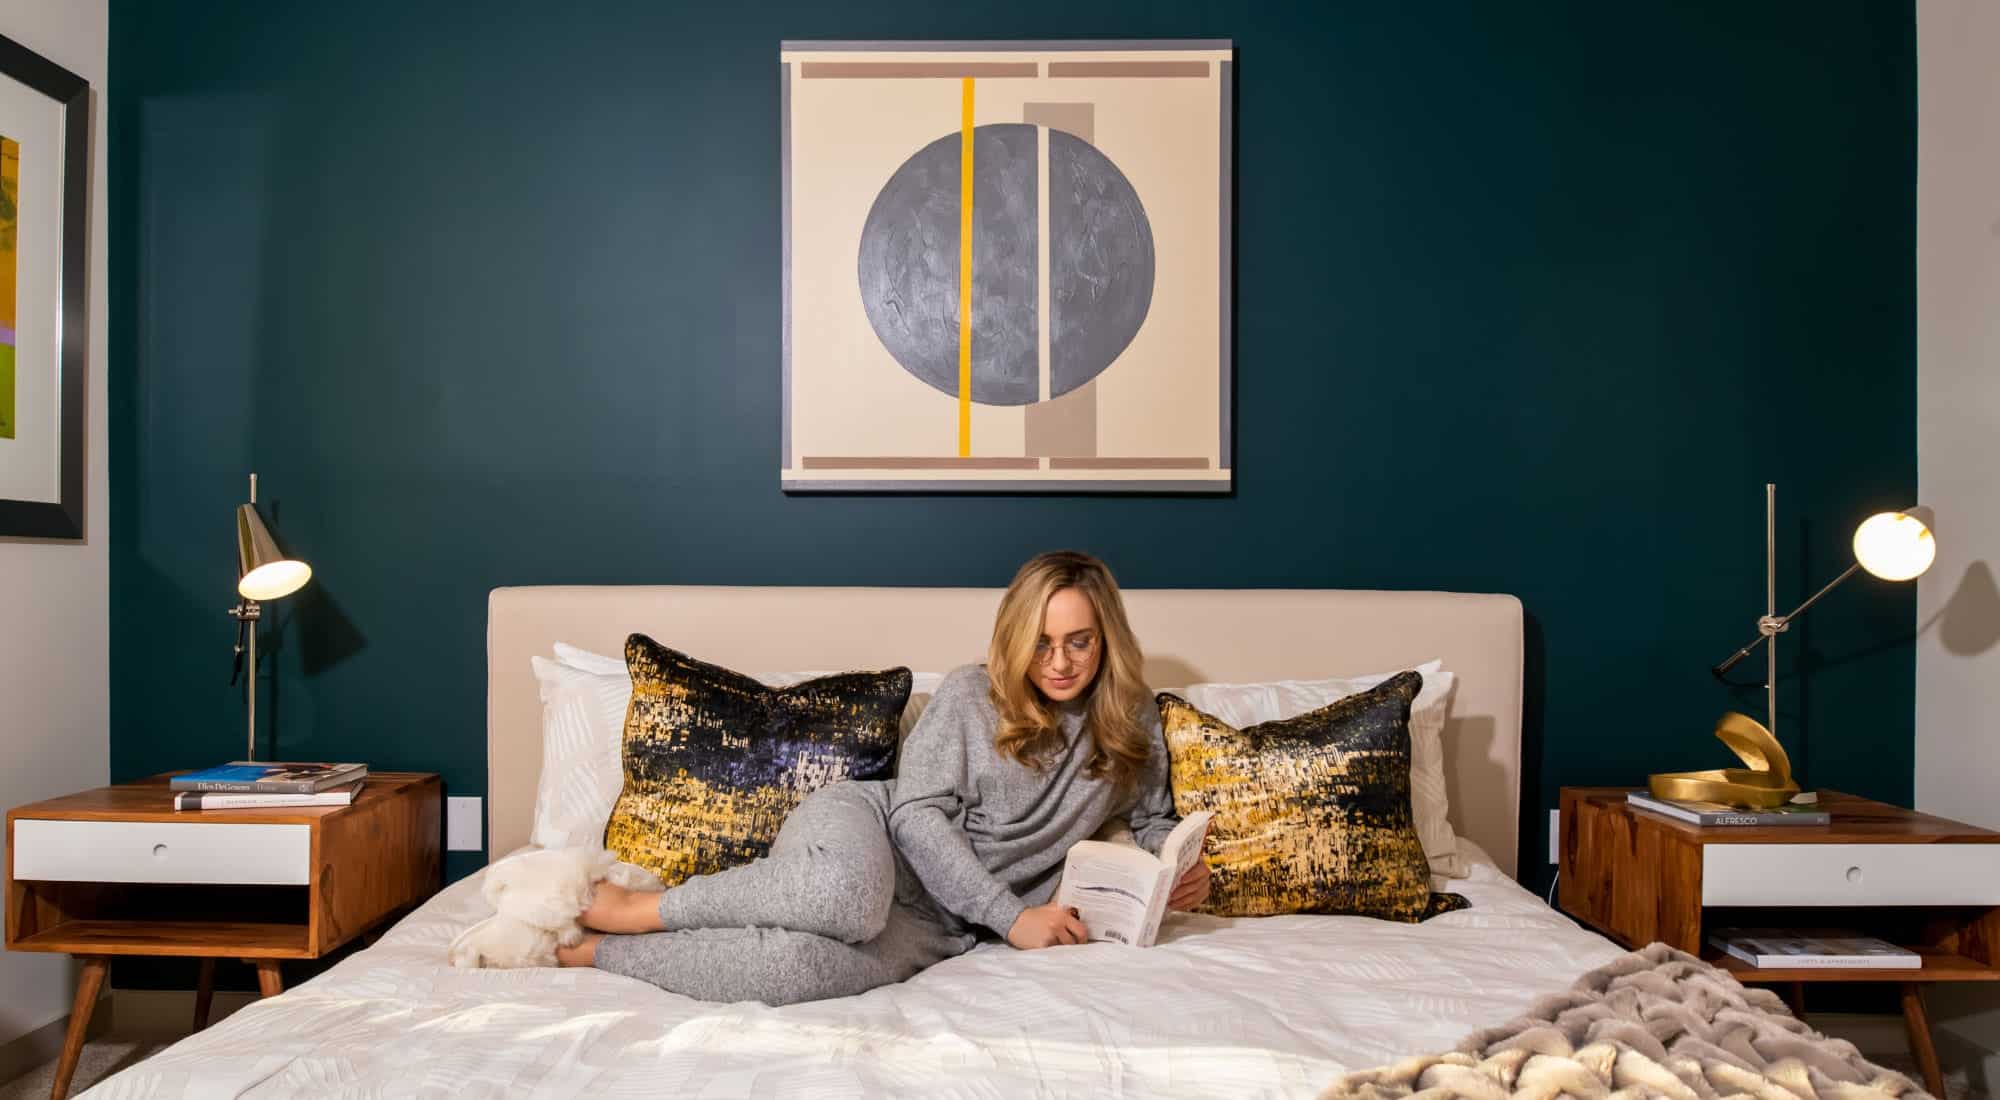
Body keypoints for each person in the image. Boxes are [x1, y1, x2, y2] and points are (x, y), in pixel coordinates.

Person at [556, 550, 1211, 1005]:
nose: (1060, 661)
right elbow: (915, 817)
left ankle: (598, 953)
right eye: (1041, 641)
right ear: (1014, 637)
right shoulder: (971, 695)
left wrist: (1175, 867)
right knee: (847, 902)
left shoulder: (1130, 719)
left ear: (1107, 640)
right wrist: (1011, 918)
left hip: (941, 921)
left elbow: (1152, 819)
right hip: (870, 833)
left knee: (799, 971)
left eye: (1080, 641)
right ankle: (638, 909)